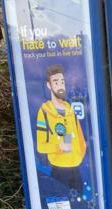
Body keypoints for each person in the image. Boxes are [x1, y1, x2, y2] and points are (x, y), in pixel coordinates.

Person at [36, 64, 86, 193]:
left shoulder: (69, 109)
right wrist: (59, 147)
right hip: (59, 171)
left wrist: (80, 155)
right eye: (56, 82)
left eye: (62, 82)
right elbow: (40, 147)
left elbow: (79, 136)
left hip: (75, 169)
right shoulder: (45, 112)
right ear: (49, 85)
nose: (60, 85)